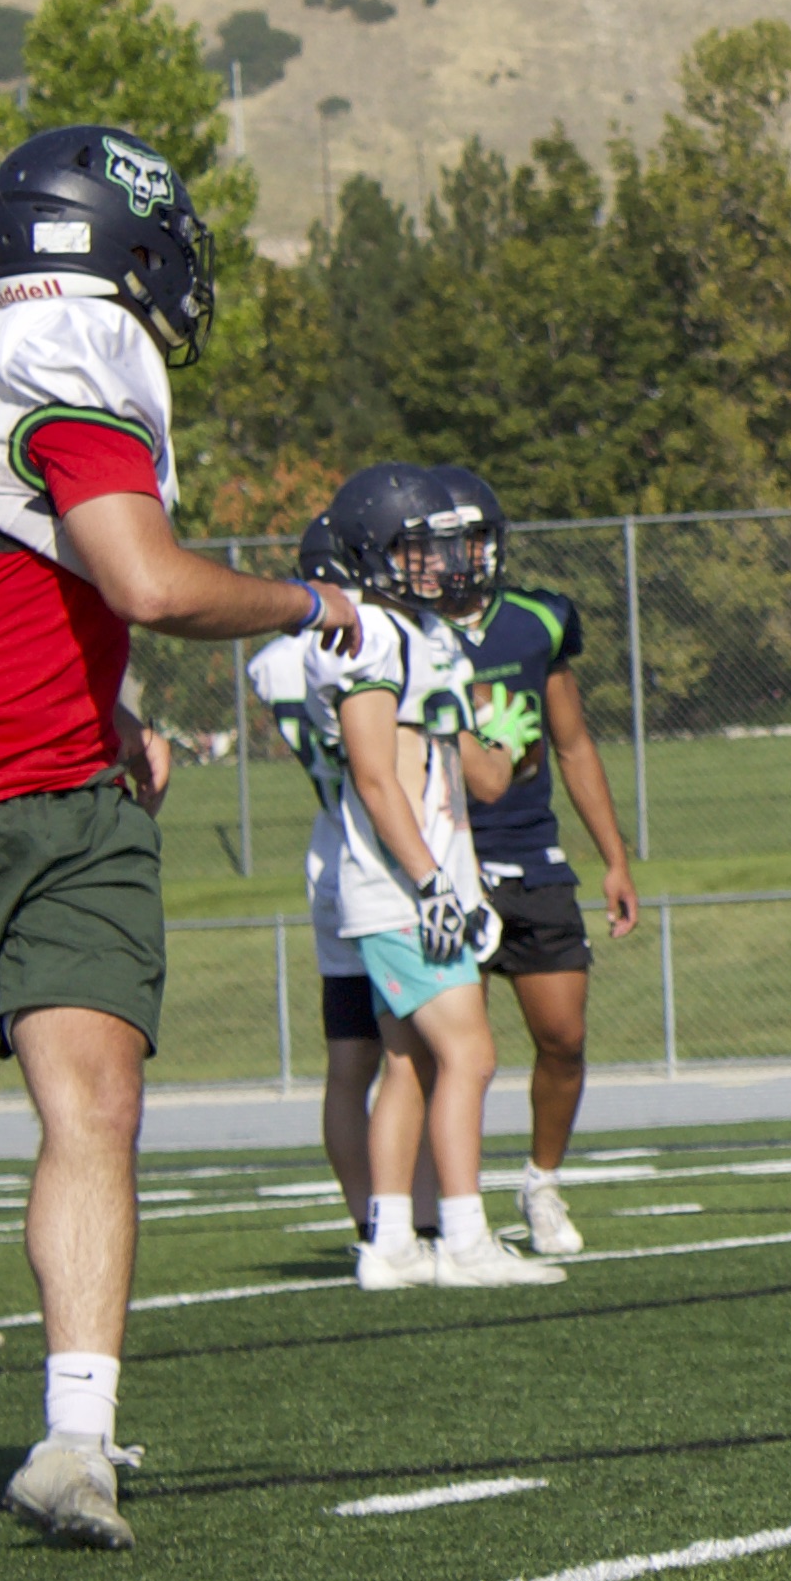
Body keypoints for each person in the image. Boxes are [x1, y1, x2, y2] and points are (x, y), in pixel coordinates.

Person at [0, 125, 364, 1556]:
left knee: (97, 1103)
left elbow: (43, 594)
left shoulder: (28, 350)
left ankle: (74, 1438)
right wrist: (311, 605)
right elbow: (145, 582)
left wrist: (118, 713)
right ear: (116, 234)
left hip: (77, 798)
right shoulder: (81, 346)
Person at [307, 463, 562, 1293]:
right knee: (472, 1055)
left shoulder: (422, 634)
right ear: (373, 553)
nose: (444, 563)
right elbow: (378, 776)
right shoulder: (375, 635)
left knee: (413, 1064)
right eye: (420, 550)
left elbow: (450, 773)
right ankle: (462, 1236)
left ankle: (389, 1242)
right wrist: (433, 885)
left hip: (421, 879)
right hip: (401, 887)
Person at [437, 464, 640, 1258]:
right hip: (445, 859)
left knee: (563, 1036)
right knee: (455, 1054)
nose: (458, 558)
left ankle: (540, 1181)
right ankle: (449, 1206)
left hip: (533, 853)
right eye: (442, 543)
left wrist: (614, 858)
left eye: (471, 540)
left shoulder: (536, 621)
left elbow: (573, 741)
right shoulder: (405, 631)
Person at [245, 517, 436, 1245]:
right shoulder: (373, 641)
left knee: (347, 1061)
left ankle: (369, 1217)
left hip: (328, 855)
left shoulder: (271, 662)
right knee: (409, 1051)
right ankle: (415, 1216)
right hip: (380, 855)